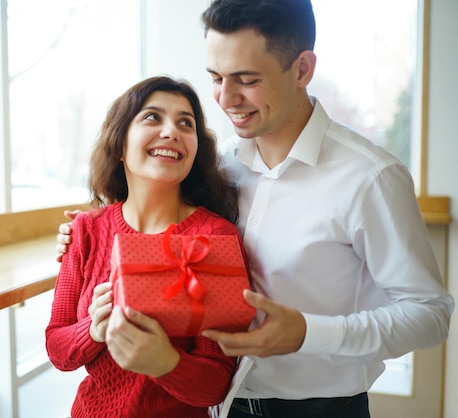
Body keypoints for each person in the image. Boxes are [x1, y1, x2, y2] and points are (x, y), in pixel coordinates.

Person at [56, 1, 454, 417]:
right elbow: (154, 224)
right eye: (216, 77)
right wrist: (84, 233)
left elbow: (430, 314)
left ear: (302, 70)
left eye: (246, 79)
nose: (226, 99)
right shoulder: (217, 168)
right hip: (219, 407)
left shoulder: (369, 178)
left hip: (321, 409)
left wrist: (308, 333)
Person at [45, 75, 252, 418]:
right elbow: (57, 348)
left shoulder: (215, 237)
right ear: (120, 144)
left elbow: (216, 383)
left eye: (186, 123)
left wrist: (167, 363)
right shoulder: (85, 230)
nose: (172, 131)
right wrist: (92, 330)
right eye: (152, 117)